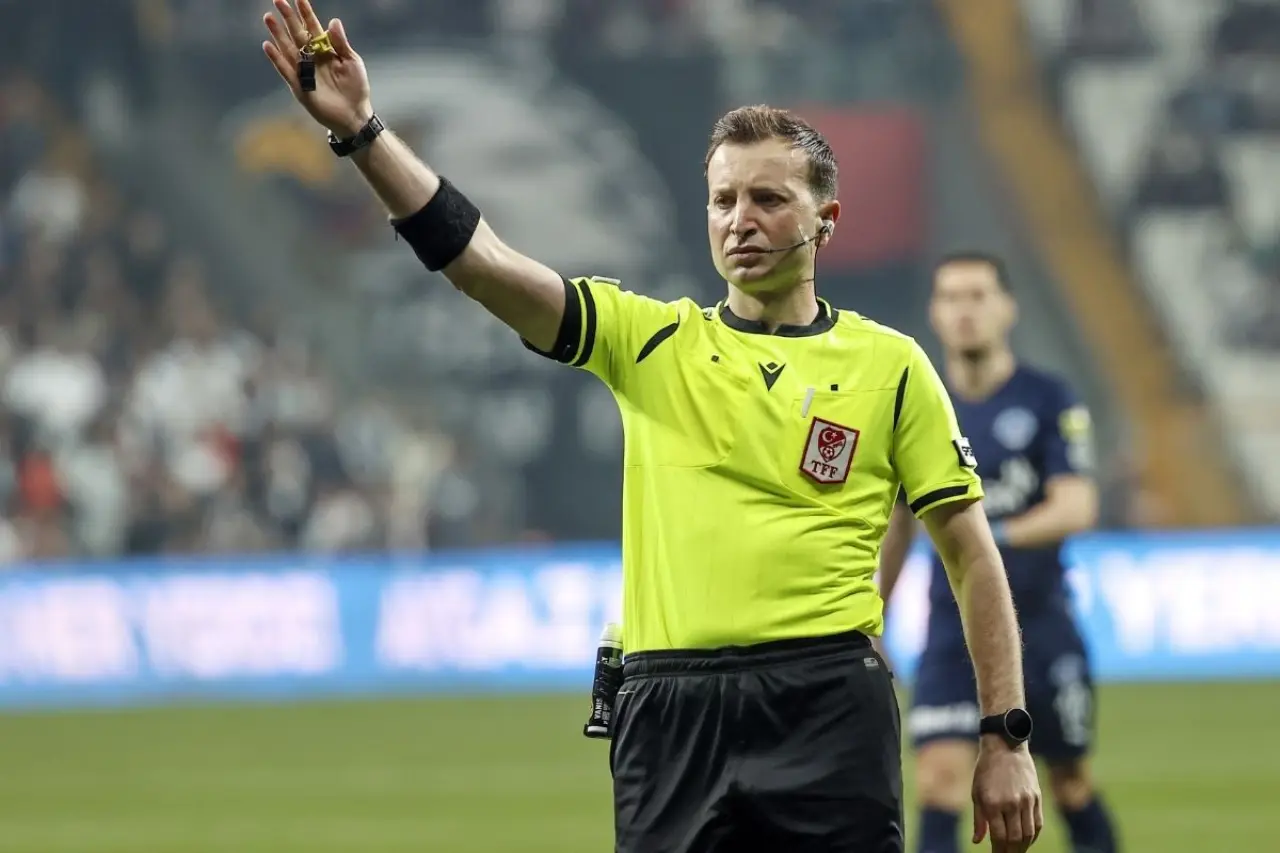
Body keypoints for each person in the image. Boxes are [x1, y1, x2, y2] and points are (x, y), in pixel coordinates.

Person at [259, 4, 1043, 849]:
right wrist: (363, 134)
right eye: (723, 199)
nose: (740, 219)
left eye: (768, 198)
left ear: (826, 220)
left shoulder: (891, 365)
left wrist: (1005, 735)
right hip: (670, 710)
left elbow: (971, 555)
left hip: (825, 701)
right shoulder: (650, 340)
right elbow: (480, 262)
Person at [877, 252, 1121, 853]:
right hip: (949, 631)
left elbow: (1076, 506)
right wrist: (874, 614)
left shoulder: (1048, 399)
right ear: (935, 312)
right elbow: (899, 523)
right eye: (951, 297)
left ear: (1007, 308)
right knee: (938, 782)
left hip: (1042, 626)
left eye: (978, 296)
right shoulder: (919, 404)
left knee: (1068, 783)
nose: (965, 311)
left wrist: (983, 540)